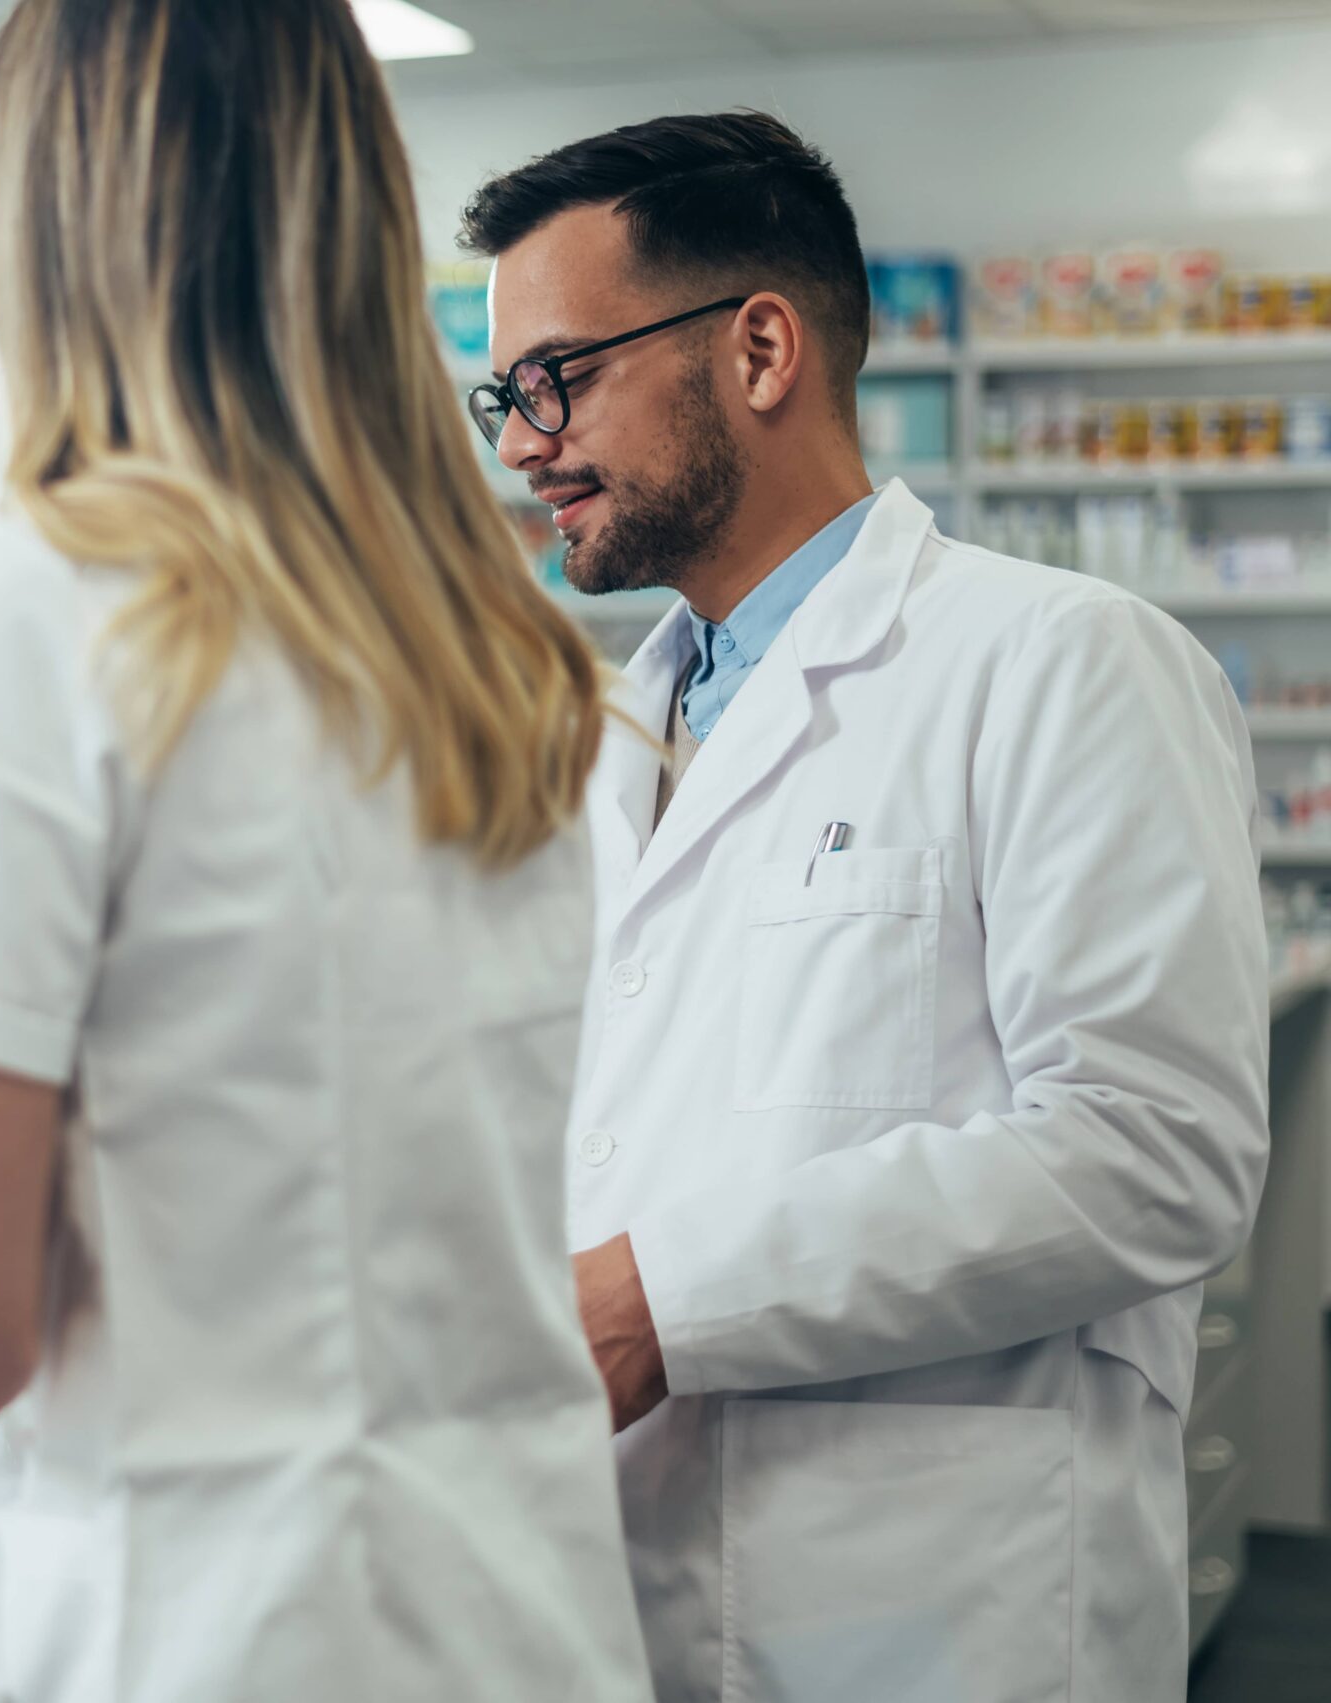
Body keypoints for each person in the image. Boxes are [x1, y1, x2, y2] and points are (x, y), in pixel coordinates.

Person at [0, 3, 655, 1699]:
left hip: (227, 1633)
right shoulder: (492, 653)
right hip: (526, 1620)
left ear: (54, 227)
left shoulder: (32, 609)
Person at [461, 112, 1269, 1702]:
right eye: (506, 396)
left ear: (760, 349)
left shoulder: (1060, 661)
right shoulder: (607, 739)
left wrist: (653, 1306)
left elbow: (1155, 1144)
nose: (520, 445)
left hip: (929, 1613)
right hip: (613, 1597)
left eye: (557, 378)